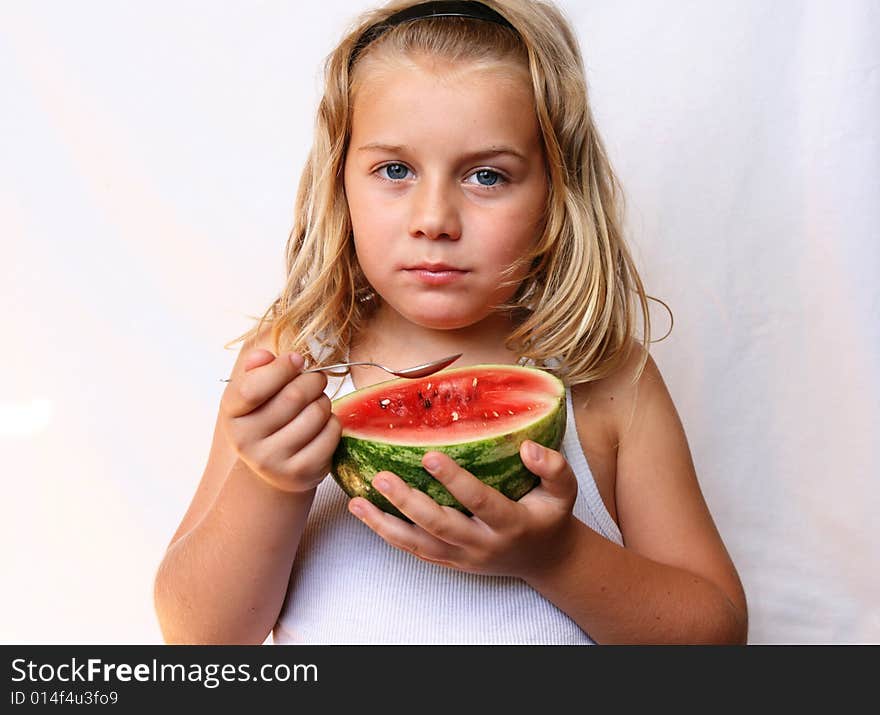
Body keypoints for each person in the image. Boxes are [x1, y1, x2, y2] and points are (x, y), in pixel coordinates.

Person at [154, 0, 747, 645]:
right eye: (396, 170)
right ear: (340, 181)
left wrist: (558, 557)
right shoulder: (297, 365)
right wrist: (267, 481)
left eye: (487, 176)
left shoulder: (607, 380)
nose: (434, 217)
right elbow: (200, 642)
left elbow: (715, 636)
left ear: (556, 193)